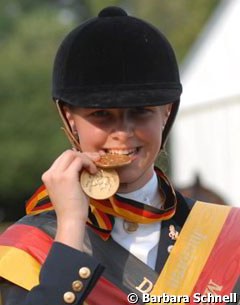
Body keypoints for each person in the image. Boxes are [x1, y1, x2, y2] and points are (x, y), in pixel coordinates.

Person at [0, 6, 239, 305]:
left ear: (167, 113)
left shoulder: (229, 234)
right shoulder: (27, 246)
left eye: (141, 112)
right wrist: (72, 227)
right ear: (69, 117)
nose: (123, 132)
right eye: (101, 114)